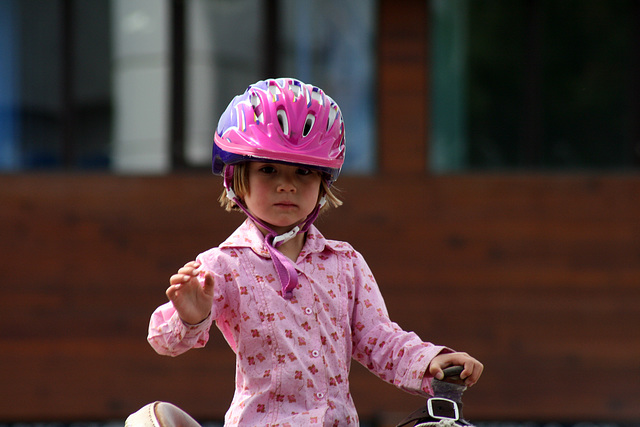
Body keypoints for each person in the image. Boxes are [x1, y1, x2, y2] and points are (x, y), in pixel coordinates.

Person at [147, 77, 483, 426]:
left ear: (323, 184)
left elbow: (378, 338)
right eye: (268, 169)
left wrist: (429, 361)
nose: (287, 184)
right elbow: (163, 341)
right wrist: (190, 317)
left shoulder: (345, 263)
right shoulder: (223, 265)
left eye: (304, 171)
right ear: (236, 179)